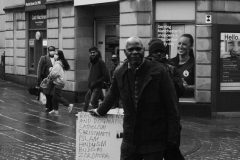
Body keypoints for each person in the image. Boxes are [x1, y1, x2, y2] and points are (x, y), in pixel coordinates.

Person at [90, 36, 181, 160]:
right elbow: (112, 94)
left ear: (144, 50)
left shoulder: (159, 71)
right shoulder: (119, 72)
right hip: (130, 137)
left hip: (154, 137)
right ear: (125, 52)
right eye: (131, 49)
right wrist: (99, 111)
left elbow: (172, 105)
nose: (134, 52)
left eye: (138, 49)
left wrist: (172, 137)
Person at [83, 46, 110, 112]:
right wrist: (91, 83)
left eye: (94, 52)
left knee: (93, 101)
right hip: (91, 86)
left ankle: (99, 112)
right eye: (91, 53)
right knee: (87, 99)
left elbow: (105, 75)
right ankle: (84, 114)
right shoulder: (91, 63)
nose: (92, 54)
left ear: (97, 53)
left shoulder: (101, 62)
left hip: (97, 86)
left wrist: (97, 82)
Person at [48, 50, 73, 115]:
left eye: (56, 54)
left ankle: (69, 105)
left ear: (59, 56)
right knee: (54, 97)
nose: (54, 55)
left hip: (59, 82)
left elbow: (54, 74)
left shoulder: (58, 64)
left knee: (57, 97)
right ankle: (55, 110)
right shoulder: (60, 62)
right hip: (59, 81)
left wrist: (50, 70)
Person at [170, 34, 195, 98]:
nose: (180, 46)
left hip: (187, 101)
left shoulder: (194, 64)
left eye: (184, 44)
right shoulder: (170, 63)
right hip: (172, 102)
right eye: (179, 43)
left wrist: (188, 87)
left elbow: (201, 87)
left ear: (191, 46)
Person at [37, 46, 56, 112]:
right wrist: (38, 79)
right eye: (51, 50)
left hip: (54, 79)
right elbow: (39, 69)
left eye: (53, 50)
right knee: (48, 94)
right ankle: (49, 107)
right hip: (46, 79)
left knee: (52, 94)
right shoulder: (43, 58)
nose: (52, 52)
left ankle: (50, 107)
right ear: (48, 51)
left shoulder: (56, 58)